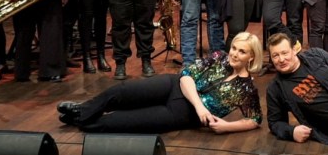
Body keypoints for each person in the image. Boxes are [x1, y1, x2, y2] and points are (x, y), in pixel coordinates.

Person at [56, 31, 262, 134]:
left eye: (242, 51)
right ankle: (81, 110)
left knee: (121, 122)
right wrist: (200, 107)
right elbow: (187, 75)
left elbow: (254, 120)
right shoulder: (219, 57)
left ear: (251, 57)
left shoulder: (247, 89)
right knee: (122, 92)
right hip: (174, 86)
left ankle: (79, 120)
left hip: (181, 114)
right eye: (234, 48)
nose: (234, 54)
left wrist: (226, 126)